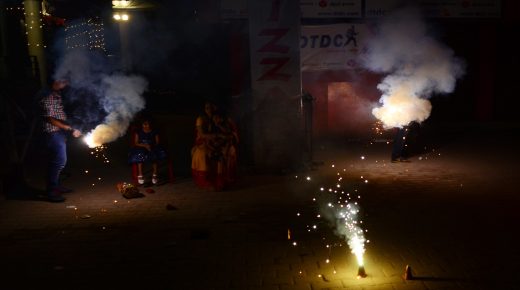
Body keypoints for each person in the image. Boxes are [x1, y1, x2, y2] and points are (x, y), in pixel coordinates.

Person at [39, 78, 82, 202]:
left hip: (58, 132)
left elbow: (58, 114)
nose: (66, 83)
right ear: (56, 81)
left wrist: (68, 127)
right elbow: (49, 118)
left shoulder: (55, 94)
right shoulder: (47, 96)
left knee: (56, 161)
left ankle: (56, 186)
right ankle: (52, 192)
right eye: (64, 81)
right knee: (59, 161)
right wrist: (67, 128)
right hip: (52, 132)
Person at [128, 117, 167, 185]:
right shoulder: (139, 132)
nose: (146, 126)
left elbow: (157, 142)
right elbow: (136, 142)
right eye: (144, 124)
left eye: (148, 124)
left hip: (152, 146)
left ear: (150, 124)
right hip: (141, 146)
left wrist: (151, 146)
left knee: (154, 155)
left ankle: (155, 174)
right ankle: (140, 174)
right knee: (139, 155)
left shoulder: (154, 132)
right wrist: (145, 146)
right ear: (142, 125)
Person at [191, 102, 219, 190]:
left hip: (214, 140)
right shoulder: (200, 119)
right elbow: (202, 134)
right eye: (207, 108)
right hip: (202, 141)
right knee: (203, 153)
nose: (209, 110)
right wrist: (215, 136)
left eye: (211, 107)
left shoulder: (216, 118)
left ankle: (220, 179)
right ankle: (205, 181)